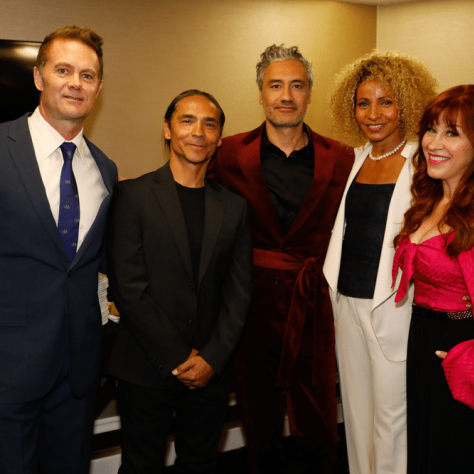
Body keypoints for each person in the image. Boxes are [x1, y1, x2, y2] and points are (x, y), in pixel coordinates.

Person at [207, 44, 354, 474]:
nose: (286, 95)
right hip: (247, 309)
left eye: (296, 85)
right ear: (260, 94)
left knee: (321, 431)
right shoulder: (229, 153)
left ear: (309, 94)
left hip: (314, 308)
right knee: (260, 429)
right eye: (276, 86)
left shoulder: (341, 157)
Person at [107, 90, 252, 474]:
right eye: (187, 120)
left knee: (201, 462)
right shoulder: (132, 195)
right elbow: (128, 287)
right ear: (167, 130)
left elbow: (239, 294)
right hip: (145, 365)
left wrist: (211, 359)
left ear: (220, 137)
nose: (198, 132)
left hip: (211, 369)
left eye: (210, 124)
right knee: (141, 464)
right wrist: (179, 357)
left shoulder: (234, 208)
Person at [0, 26, 118, 473]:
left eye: (87, 75)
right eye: (63, 70)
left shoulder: (105, 169)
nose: (75, 83)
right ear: (38, 77)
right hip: (8, 369)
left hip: (78, 373)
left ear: (99, 88)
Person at [323, 51, 437, 474]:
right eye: (363, 103)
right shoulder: (351, 161)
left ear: (405, 104)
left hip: (396, 308)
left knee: (391, 419)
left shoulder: (424, 163)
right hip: (347, 303)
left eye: (385, 101)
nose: (373, 114)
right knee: (355, 414)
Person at [392, 84, 474, 474]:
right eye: (431, 129)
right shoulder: (430, 198)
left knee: (453, 455)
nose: (433, 142)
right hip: (422, 340)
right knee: (423, 451)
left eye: (452, 132)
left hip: (459, 348)